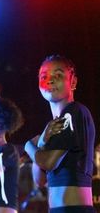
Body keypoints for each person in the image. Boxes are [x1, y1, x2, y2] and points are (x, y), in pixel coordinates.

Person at [24, 54, 96, 213]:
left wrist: (29, 145)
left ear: (73, 82)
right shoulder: (53, 127)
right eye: (44, 76)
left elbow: (47, 162)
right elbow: (40, 180)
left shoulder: (74, 111)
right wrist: (42, 142)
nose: (50, 80)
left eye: (58, 75)